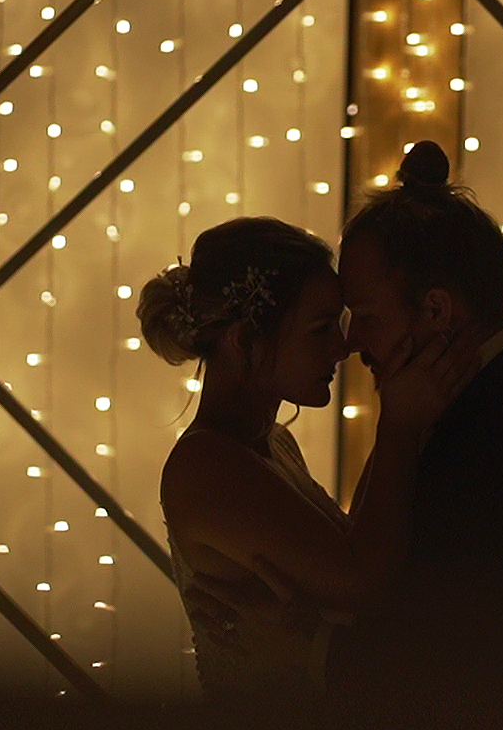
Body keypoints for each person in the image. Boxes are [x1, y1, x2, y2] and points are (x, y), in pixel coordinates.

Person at [188, 142, 503, 718]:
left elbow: (476, 663)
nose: (351, 343)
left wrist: (305, 647)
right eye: (331, 324)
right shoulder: (473, 404)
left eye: (366, 316)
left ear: (435, 311)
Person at [140, 216, 477, 704]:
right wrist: (399, 425)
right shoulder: (206, 465)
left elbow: (356, 544)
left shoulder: (274, 443)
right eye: (321, 328)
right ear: (242, 340)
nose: (342, 348)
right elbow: (362, 579)